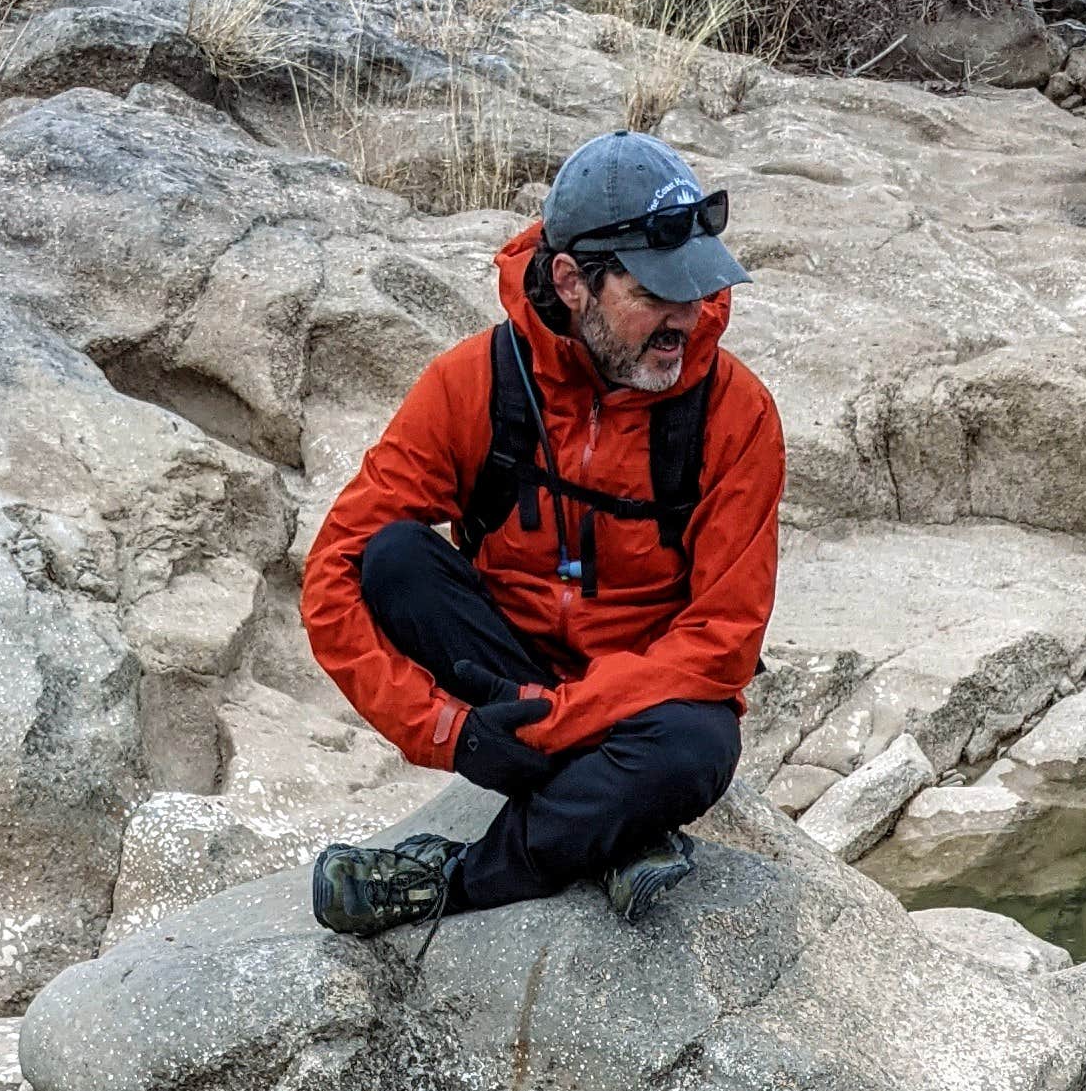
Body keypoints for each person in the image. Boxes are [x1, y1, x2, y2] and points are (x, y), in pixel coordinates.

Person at [297, 129, 785, 939]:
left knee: (698, 745)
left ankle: (453, 881)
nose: (685, 320)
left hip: (642, 707)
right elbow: (334, 576)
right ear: (572, 281)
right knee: (394, 562)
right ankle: (612, 824)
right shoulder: (471, 383)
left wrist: (558, 719)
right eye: (654, 293)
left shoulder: (738, 414)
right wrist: (449, 732)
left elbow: (722, 643)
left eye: (695, 292)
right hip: (499, 681)